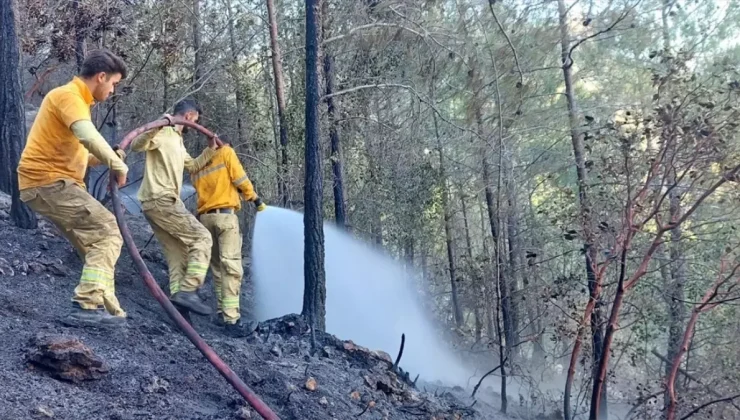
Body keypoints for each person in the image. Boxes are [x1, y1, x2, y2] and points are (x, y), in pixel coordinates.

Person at [17, 49, 130, 327]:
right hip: (49, 181)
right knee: (108, 231)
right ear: (101, 76)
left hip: (50, 183)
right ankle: (86, 306)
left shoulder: (76, 102)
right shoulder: (69, 96)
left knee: (96, 244)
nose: (113, 90)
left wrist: (107, 156)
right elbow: (88, 136)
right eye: (113, 83)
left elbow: (80, 153)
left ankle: (109, 311)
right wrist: (117, 164)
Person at [130, 98, 217, 318]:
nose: (195, 125)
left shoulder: (178, 141)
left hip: (159, 203)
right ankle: (189, 291)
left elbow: (193, 165)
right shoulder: (163, 132)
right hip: (161, 200)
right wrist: (160, 123)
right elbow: (136, 144)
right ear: (189, 117)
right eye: (195, 120)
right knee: (202, 238)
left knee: (178, 254)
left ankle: (179, 313)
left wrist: (210, 150)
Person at [190, 135, 266, 337]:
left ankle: (221, 312)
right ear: (225, 144)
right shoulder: (226, 152)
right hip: (225, 217)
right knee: (231, 267)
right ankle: (231, 320)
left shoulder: (199, 165)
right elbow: (240, 178)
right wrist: (255, 199)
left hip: (205, 220)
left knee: (216, 267)